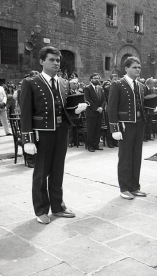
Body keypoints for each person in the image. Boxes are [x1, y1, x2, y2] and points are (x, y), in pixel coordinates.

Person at [20, 46, 87, 224]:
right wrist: (27, 140)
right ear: (42, 61)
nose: (56, 63)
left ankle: (58, 206)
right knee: (41, 172)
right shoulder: (31, 82)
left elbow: (64, 108)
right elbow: (25, 113)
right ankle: (41, 209)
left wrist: (76, 110)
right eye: (52, 60)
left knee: (58, 170)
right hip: (42, 133)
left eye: (58, 60)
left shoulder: (64, 82)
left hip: (61, 131)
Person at [108, 56, 148, 199]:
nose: (138, 70)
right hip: (125, 125)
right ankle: (124, 188)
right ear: (126, 68)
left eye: (139, 67)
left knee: (136, 155)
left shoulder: (140, 85)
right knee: (125, 157)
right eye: (134, 67)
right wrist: (114, 129)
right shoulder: (118, 84)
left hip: (139, 124)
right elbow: (111, 108)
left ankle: (134, 186)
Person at [84, 73, 106, 152]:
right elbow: (88, 99)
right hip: (91, 112)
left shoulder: (100, 88)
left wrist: (102, 108)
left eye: (98, 78)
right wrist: (96, 108)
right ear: (91, 79)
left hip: (99, 112)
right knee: (91, 130)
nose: (97, 80)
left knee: (98, 129)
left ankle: (96, 144)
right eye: (95, 78)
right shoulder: (87, 88)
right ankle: (90, 146)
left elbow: (104, 99)